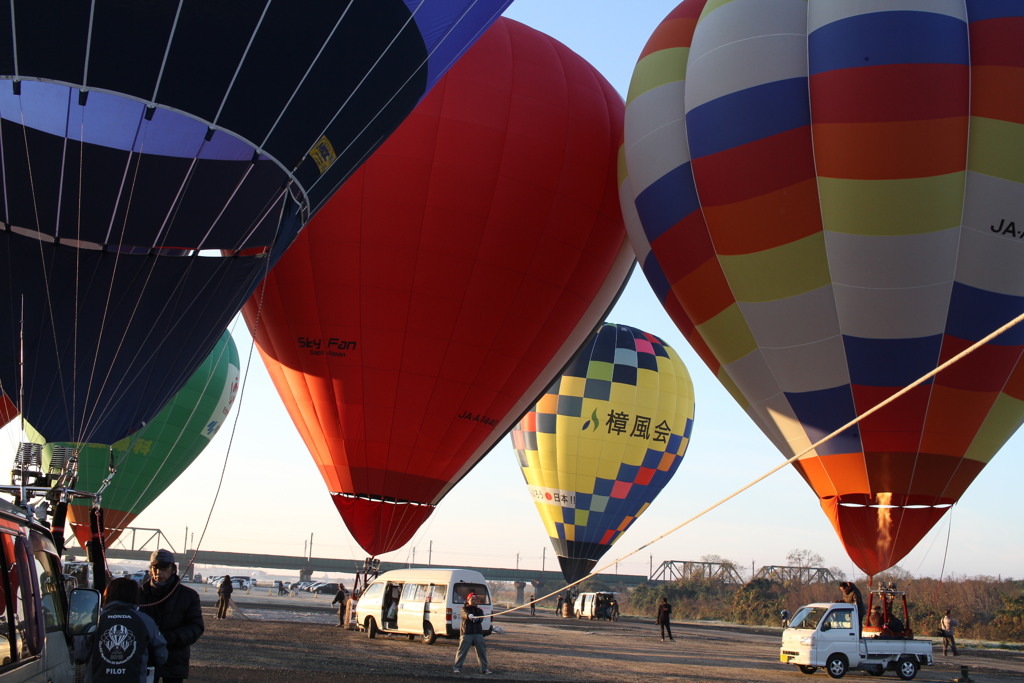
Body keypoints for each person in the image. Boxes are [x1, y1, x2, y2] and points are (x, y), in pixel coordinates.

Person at [139, 549, 205, 683]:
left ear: (173, 569)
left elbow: (196, 627)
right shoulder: (138, 594)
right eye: (154, 568)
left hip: (175, 659)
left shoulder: (189, 596)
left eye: (163, 568)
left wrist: (168, 638)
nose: (158, 573)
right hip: (145, 658)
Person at [88, 576, 168, 682]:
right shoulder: (145, 620)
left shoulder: (95, 620)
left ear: (108, 594)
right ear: (134, 596)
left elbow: (80, 653)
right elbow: (161, 655)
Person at [453, 592, 491, 675]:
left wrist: (477, 619)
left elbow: (481, 618)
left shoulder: (479, 611)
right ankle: (457, 668)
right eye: (472, 599)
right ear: (468, 600)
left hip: (478, 633)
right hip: (467, 633)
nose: (474, 601)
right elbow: (464, 614)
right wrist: (469, 615)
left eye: (475, 600)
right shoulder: (464, 609)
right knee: (462, 651)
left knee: (482, 651)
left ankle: (484, 669)